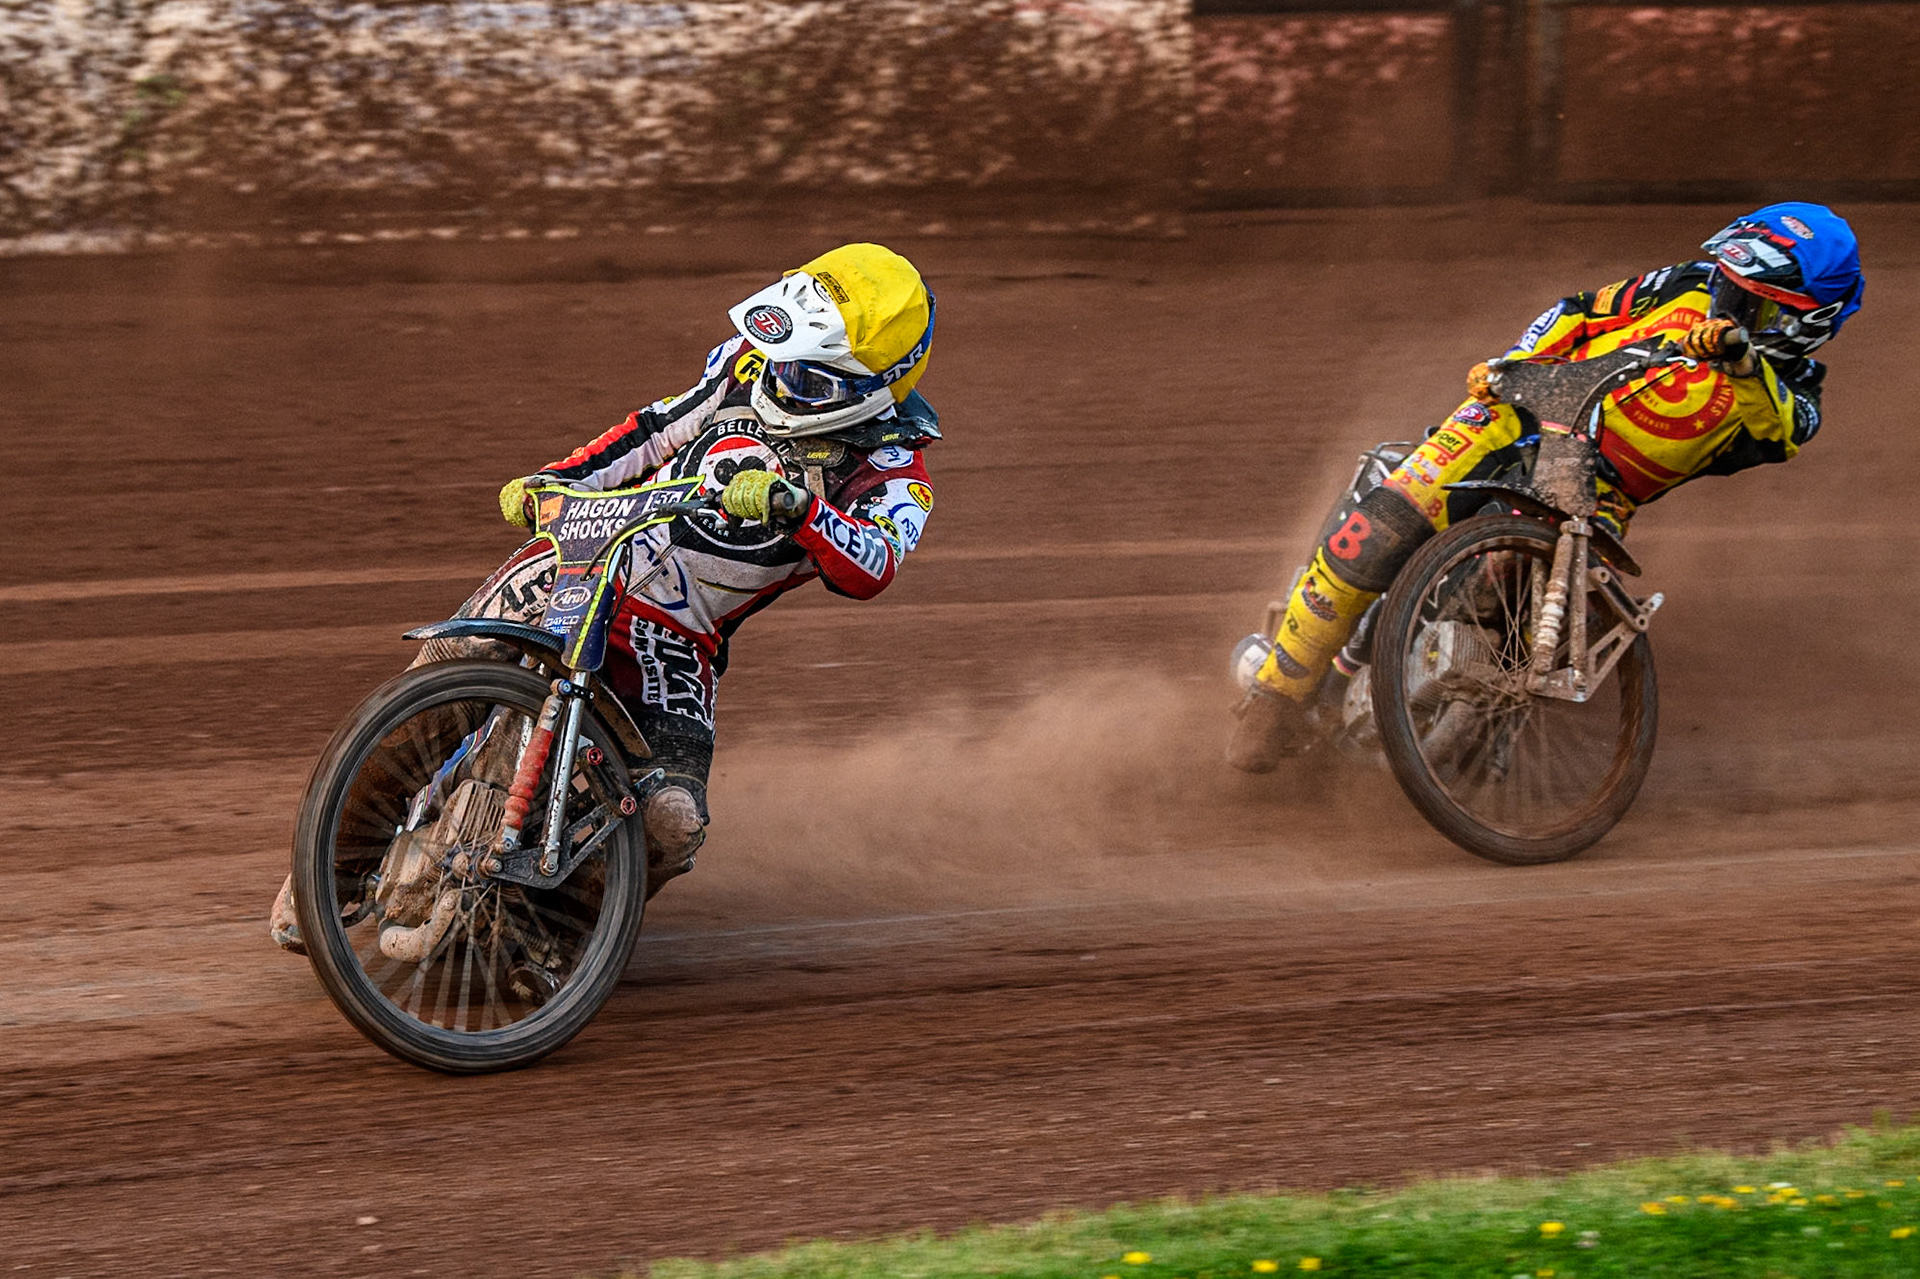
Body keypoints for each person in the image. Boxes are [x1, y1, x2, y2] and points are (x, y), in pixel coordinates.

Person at [271, 242, 939, 951]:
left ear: (876, 387)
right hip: (583, 558)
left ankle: (539, 942)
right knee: (446, 672)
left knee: (670, 821)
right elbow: (650, 432)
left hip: (676, 638)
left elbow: (874, 565)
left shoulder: (895, 473)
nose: (784, 379)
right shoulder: (744, 368)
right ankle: (329, 873)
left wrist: (799, 509)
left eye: (810, 376)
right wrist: (554, 480)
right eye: (782, 357)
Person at [1226, 202, 1865, 772]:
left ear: (1805, 321)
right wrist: (1514, 361)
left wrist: (1743, 362)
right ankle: (1278, 694)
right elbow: (1577, 312)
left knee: (1534, 618)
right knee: (1373, 534)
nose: (1724, 305)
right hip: (1516, 416)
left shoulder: (1796, 398)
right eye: (1726, 284)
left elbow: (1781, 429)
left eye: (1751, 302)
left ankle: (1486, 723)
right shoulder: (1684, 283)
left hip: (1598, 492)